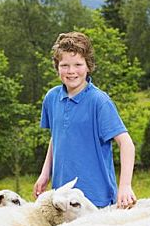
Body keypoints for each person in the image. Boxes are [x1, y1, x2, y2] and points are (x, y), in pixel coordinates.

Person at [33, 32, 137, 209]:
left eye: (78, 65)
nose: (71, 71)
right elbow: (57, 137)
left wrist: (125, 186)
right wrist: (45, 174)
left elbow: (126, 144)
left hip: (96, 200)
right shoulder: (51, 98)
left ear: (88, 66)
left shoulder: (99, 101)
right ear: (57, 67)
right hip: (63, 200)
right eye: (64, 65)